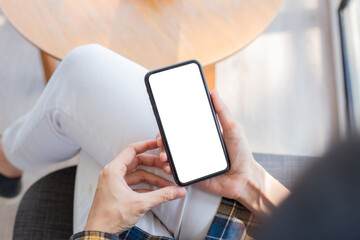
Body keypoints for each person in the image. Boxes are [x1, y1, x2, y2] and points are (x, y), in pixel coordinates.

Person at [0, 44, 289, 239]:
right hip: (255, 226)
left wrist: (99, 228)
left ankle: (6, 163)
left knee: (83, 85)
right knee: (88, 92)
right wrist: (249, 183)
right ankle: (7, 162)